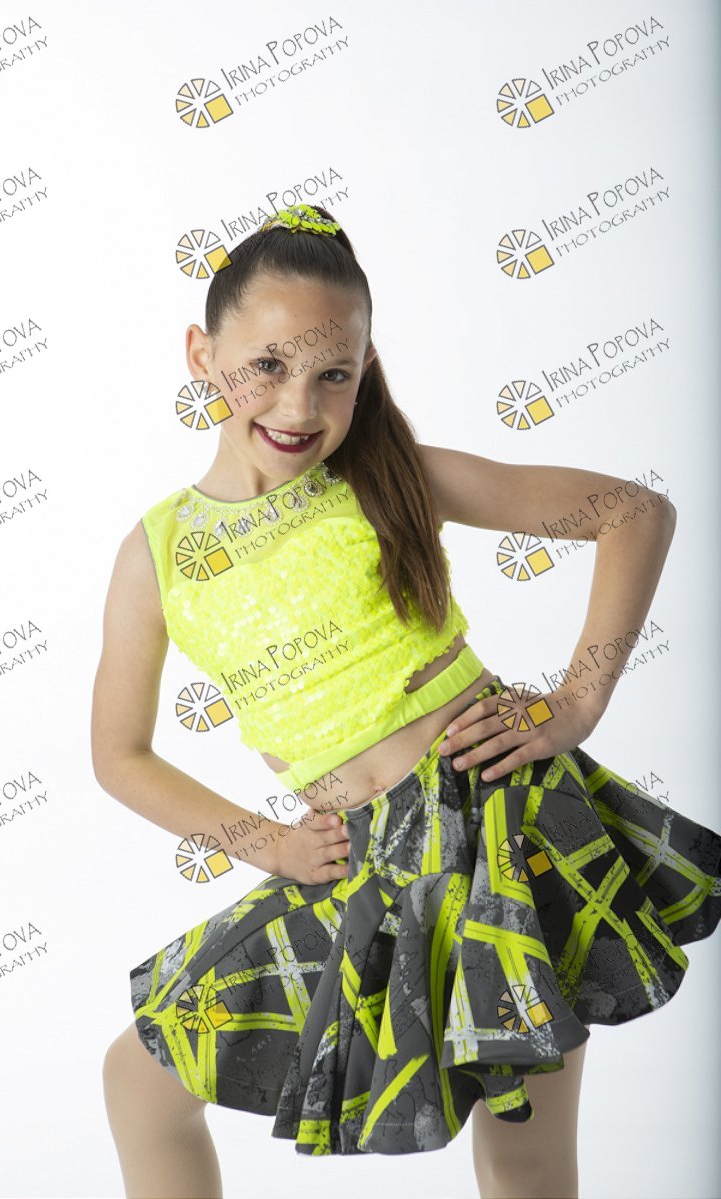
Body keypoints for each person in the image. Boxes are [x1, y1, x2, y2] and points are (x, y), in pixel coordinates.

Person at [92, 202, 721, 1199]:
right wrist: (265, 842)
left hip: (503, 824)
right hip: (354, 862)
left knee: (522, 1145)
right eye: (266, 365)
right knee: (141, 1076)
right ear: (202, 356)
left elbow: (631, 513)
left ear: (365, 369)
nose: (299, 403)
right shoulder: (158, 553)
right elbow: (118, 754)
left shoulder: (386, 478)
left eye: (333, 373)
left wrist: (577, 700)